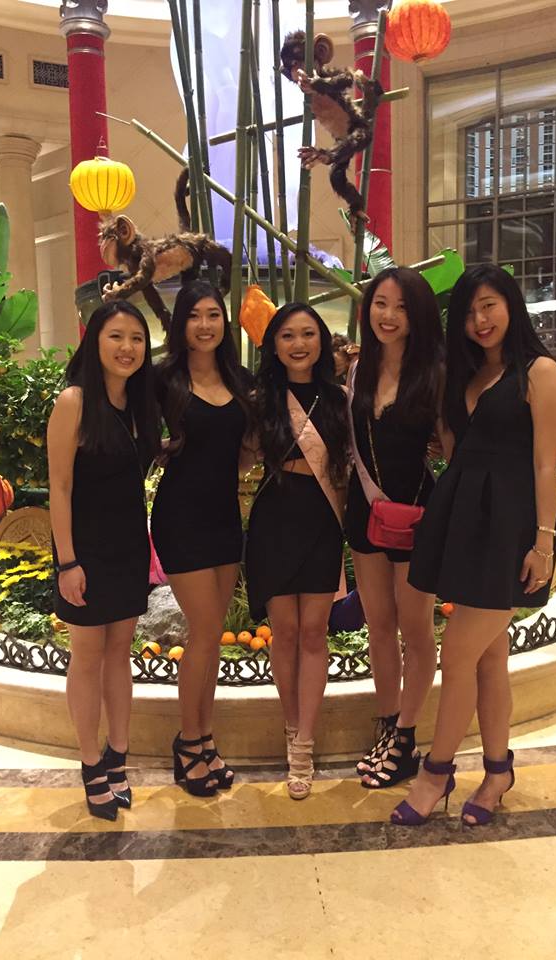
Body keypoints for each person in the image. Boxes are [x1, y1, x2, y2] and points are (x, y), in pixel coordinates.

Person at [395, 264, 556, 827]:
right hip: (467, 522)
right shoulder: (465, 376)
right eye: (470, 312)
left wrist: (543, 542)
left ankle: (436, 773)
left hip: (512, 530)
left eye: (489, 305)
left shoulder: (540, 372)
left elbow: (545, 465)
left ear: (511, 305)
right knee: (490, 658)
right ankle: (498, 771)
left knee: (457, 653)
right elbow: (456, 453)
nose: (480, 319)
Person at [47, 301, 160, 822]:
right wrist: (67, 562)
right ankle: (91, 763)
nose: (127, 347)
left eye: (137, 338)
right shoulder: (75, 401)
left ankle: (119, 753)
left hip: (128, 545)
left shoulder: (139, 404)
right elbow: (60, 487)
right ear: (94, 341)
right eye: (116, 336)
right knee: (88, 654)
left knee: (120, 653)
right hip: (85, 550)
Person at [151, 281, 253, 797]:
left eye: (214, 314)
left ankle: (205, 738)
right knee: (207, 630)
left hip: (223, 515)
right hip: (180, 515)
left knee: (209, 639)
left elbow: (248, 447)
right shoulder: (163, 379)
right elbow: (135, 433)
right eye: (194, 315)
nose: (205, 325)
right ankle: (188, 742)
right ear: (181, 324)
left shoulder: (239, 377)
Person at [345, 266, 444, 789]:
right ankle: (388, 725)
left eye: (402, 307)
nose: (388, 316)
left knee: (416, 630)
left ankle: (405, 737)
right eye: (380, 304)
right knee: (379, 625)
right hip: (364, 512)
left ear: (418, 315)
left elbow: (452, 450)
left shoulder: (435, 374)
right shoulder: (358, 370)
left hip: (416, 514)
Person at [246, 303, 349, 800]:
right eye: (287, 335)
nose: (299, 344)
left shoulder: (340, 398)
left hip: (321, 520)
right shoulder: (260, 399)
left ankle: (305, 743)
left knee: (313, 633)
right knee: (284, 632)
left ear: (322, 341)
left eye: (308, 334)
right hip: (275, 518)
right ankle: (292, 729)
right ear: (274, 344)